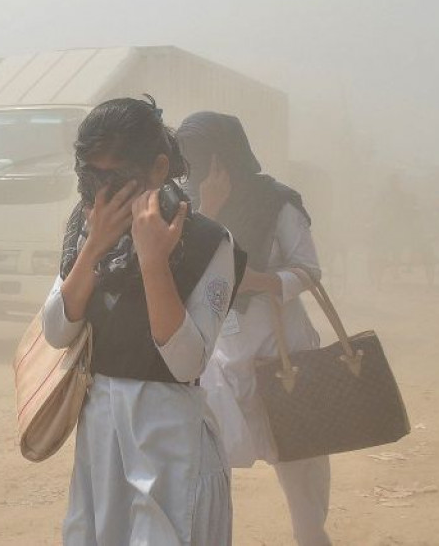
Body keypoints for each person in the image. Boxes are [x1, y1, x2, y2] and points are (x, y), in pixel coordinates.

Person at [42, 97, 243, 546]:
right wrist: (93, 248)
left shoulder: (209, 242)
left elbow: (186, 363)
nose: (102, 194)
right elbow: (57, 330)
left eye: (115, 178)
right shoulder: (85, 229)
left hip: (170, 448)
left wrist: (154, 261)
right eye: (91, 178)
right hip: (101, 444)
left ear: (157, 168)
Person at [176, 111, 333, 546]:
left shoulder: (277, 201)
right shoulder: (185, 207)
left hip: (283, 348)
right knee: (208, 465)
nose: (196, 167)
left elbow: (309, 270)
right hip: (220, 357)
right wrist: (208, 209)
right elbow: (178, 272)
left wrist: (261, 281)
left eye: (204, 156)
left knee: (301, 464)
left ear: (227, 155)